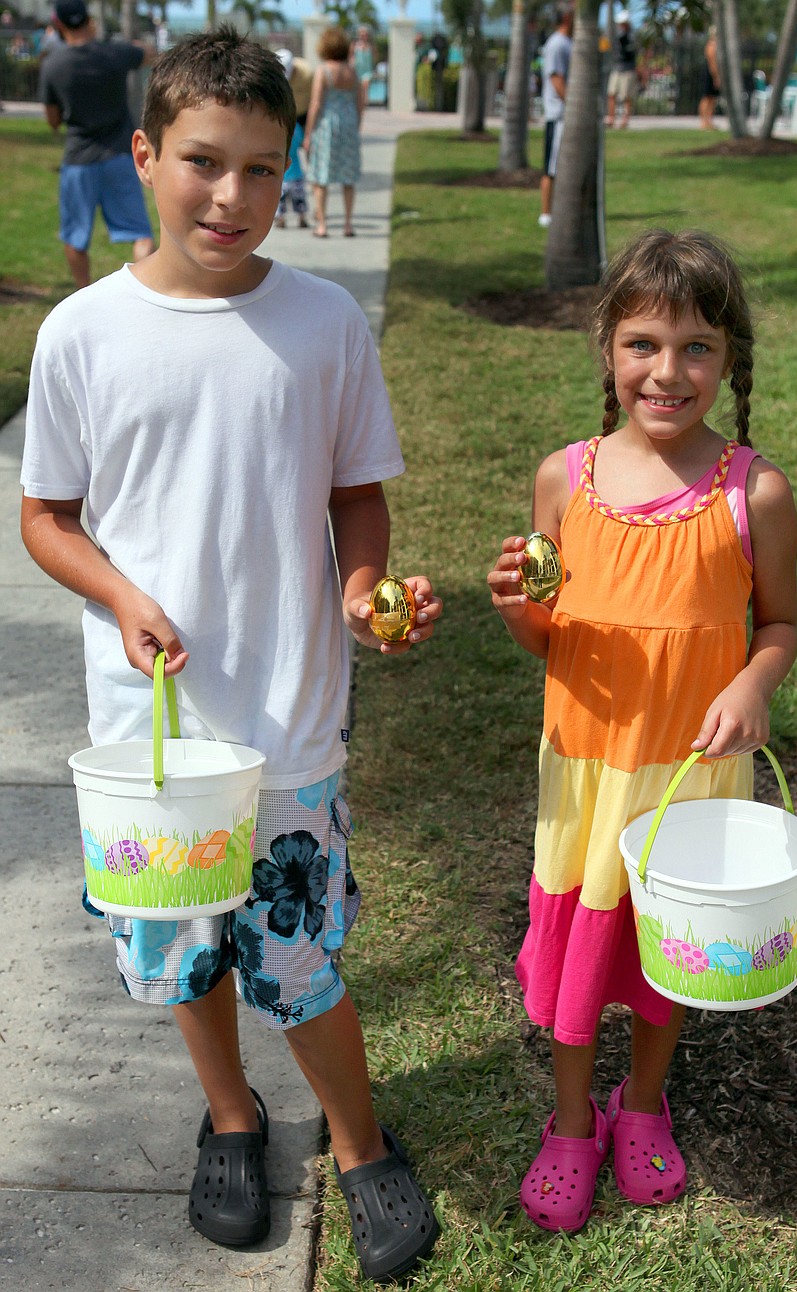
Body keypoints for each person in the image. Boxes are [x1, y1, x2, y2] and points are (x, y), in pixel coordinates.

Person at [20, 26, 442, 1285]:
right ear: (144, 156)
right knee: (184, 943)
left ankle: (361, 1144)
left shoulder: (320, 326)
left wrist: (363, 586)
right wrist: (120, 591)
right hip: (151, 740)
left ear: (291, 170)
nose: (232, 196)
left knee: (300, 962)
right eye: (204, 161)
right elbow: (47, 517)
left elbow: (356, 491)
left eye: (264, 169)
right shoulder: (83, 335)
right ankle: (232, 1114)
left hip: (291, 722)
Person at [488, 228, 797, 1234]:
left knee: (670, 954)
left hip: (691, 781)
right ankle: (573, 1116)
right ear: (608, 347)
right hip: (586, 774)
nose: (668, 372)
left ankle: (646, 1101)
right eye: (643, 344)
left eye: (697, 347)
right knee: (582, 957)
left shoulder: (753, 492)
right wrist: (511, 606)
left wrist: (755, 678)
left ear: (730, 358)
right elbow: (546, 634)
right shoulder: (561, 481)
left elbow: (781, 623)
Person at [38, 0, 155, 290]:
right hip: (119, 156)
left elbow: (52, 120)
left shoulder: (53, 65)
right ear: (90, 21)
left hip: (79, 160)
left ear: (60, 25)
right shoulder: (115, 53)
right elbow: (149, 54)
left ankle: (82, 294)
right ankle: (144, 295)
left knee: (75, 239)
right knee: (142, 235)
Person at [305, 25, 361, 239]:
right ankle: (347, 224)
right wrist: (356, 126)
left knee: (321, 177)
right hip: (348, 125)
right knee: (348, 178)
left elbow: (316, 103)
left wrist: (309, 134)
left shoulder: (323, 70)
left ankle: (322, 225)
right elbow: (359, 103)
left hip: (327, 125)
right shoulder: (352, 72)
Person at [538, 4, 573, 228]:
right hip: (558, 116)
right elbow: (556, 78)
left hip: (566, 117)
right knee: (551, 168)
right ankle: (545, 213)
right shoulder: (557, 44)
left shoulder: (569, 43)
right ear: (567, 18)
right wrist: (574, 104)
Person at [275, 47, 313, 229]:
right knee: (299, 198)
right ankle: (302, 218)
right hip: (297, 174)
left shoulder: (307, 73)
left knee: (281, 200)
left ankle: (281, 219)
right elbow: (301, 145)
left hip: (283, 175)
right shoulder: (296, 132)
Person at [606, 10, 638, 128]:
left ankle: (625, 120)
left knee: (626, 96)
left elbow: (632, 52)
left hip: (628, 69)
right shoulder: (617, 35)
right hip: (617, 68)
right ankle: (611, 118)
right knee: (611, 93)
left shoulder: (632, 36)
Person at [699, 27, 721, 129]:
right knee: (707, 97)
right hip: (710, 74)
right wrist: (716, 77)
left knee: (712, 98)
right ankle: (704, 121)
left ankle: (709, 121)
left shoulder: (716, 46)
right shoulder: (711, 46)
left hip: (713, 73)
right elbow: (713, 63)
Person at [350, 24, 375, 111]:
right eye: (361, 34)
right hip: (357, 70)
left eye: (365, 34)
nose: (363, 36)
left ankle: (364, 104)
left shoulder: (370, 46)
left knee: (365, 86)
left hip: (367, 70)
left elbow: (374, 56)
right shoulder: (354, 45)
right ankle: (359, 103)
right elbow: (351, 56)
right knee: (358, 88)